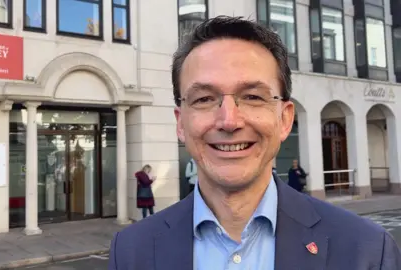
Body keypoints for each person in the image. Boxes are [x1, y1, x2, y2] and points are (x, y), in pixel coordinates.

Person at [108, 16, 401, 269]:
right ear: (180, 123)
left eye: (252, 97)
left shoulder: (367, 251)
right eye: (204, 99)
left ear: (285, 120)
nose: (229, 121)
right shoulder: (131, 251)